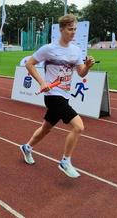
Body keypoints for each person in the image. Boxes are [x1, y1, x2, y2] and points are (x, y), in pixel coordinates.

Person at [20, 14, 95, 178]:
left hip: (65, 94)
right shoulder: (48, 49)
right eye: (70, 29)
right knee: (78, 127)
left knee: (46, 128)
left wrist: (87, 66)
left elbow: (81, 73)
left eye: (75, 29)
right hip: (52, 94)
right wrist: (42, 82)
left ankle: (27, 147)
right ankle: (65, 161)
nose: (73, 32)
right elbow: (29, 64)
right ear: (61, 29)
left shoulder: (76, 50)